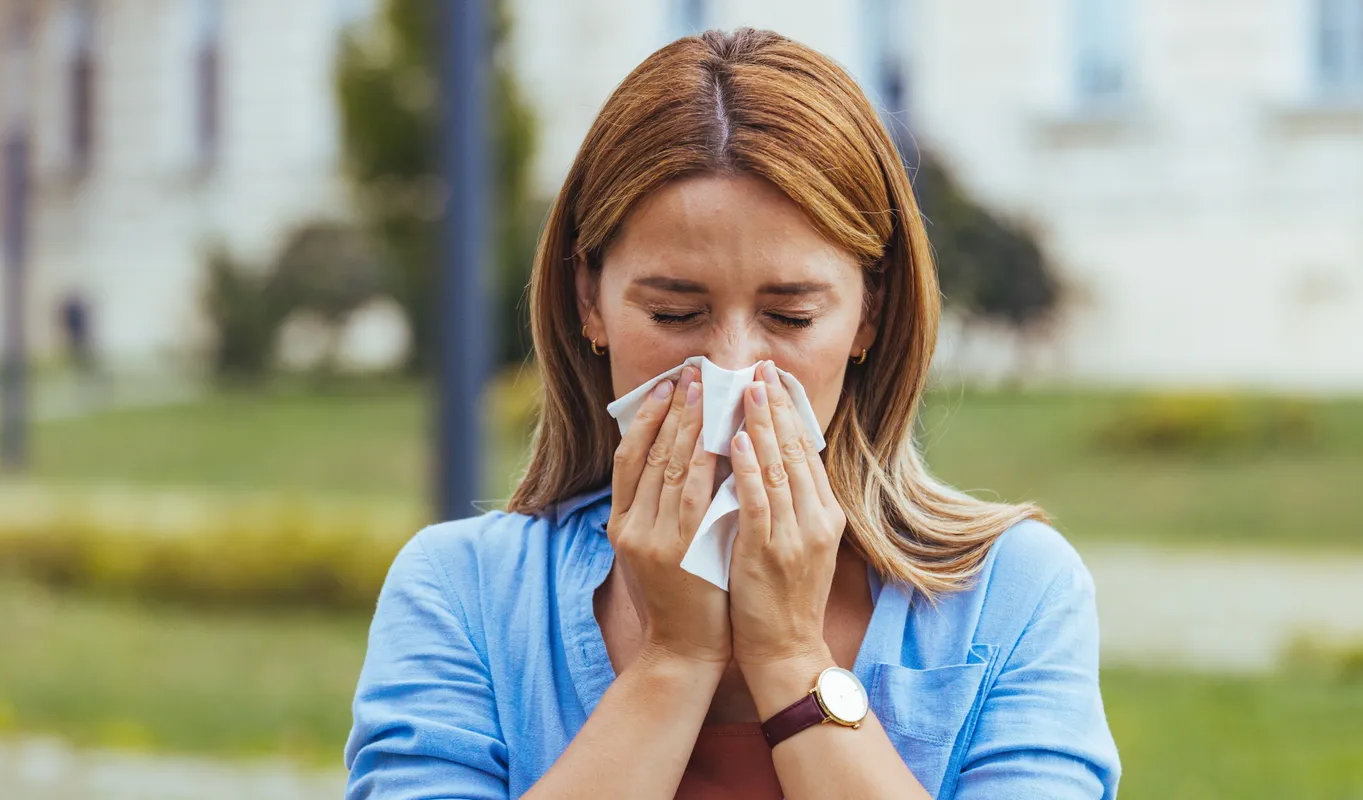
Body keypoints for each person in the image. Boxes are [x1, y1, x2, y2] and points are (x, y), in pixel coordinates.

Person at [344, 28, 1119, 800]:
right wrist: (672, 662)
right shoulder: (464, 593)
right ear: (591, 301)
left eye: (790, 317)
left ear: (869, 314)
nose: (732, 370)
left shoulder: (1010, 595)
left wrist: (790, 656)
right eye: (677, 314)